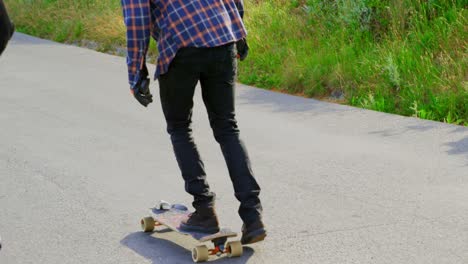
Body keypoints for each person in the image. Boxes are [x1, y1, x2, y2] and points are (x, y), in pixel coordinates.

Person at [121, 0, 266, 244]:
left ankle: (205, 211)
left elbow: (137, 21)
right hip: (222, 35)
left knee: (179, 127)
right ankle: (253, 218)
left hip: (180, 45)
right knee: (227, 127)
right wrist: (238, 32)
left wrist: (136, 74)